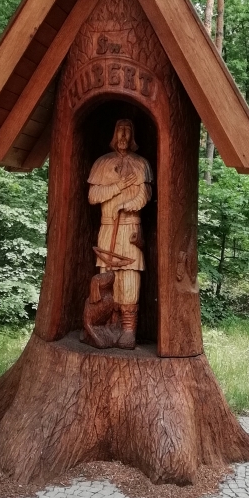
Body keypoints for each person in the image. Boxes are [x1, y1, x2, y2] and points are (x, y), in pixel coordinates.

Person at [88, 119, 152, 348]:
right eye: (120, 131)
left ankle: (128, 329)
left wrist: (126, 205)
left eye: (127, 131)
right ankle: (107, 323)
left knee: (129, 276)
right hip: (108, 228)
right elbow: (93, 196)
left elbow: (144, 194)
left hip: (130, 228)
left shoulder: (141, 164)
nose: (123, 136)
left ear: (133, 136)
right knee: (108, 276)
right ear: (113, 135)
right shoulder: (102, 163)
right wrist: (119, 186)